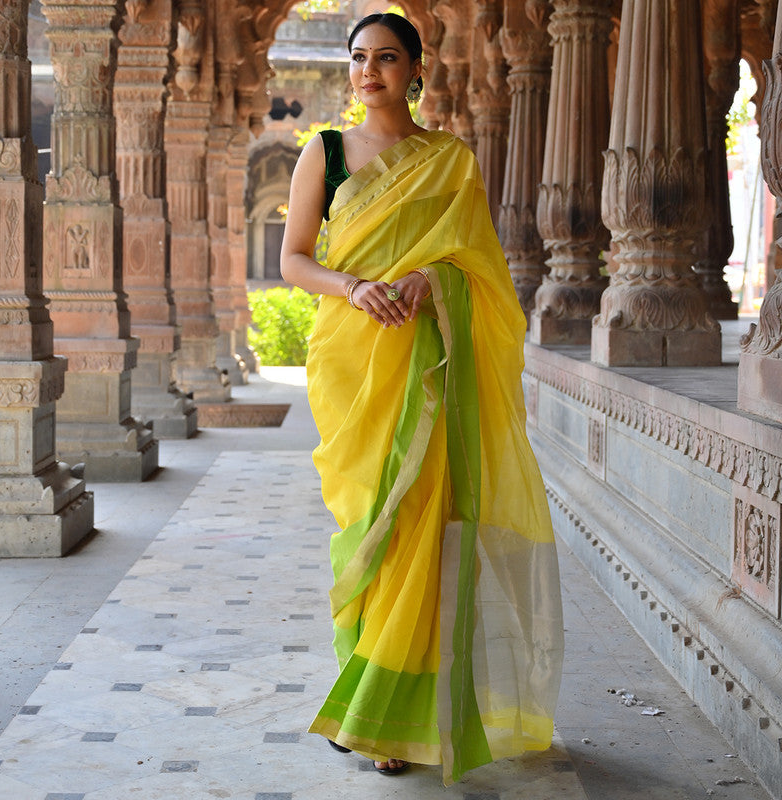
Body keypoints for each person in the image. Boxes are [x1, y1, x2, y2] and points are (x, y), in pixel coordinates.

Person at [280, 12, 564, 786]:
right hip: (351, 361)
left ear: (417, 69)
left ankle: (388, 721)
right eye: (358, 59)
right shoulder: (326, 152)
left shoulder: (450, 160)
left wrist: (427, 280)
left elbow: (480, 271)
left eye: (386, 58)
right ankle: (364, 690)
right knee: (368, 528)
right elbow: (295, 261)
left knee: (421, 525)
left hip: (428, 362)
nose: (368, 71)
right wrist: (359, 285)